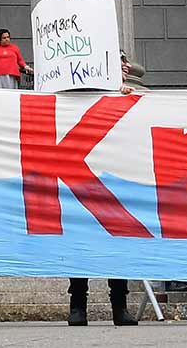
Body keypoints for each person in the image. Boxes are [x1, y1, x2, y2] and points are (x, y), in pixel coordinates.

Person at [66, 44, 139, 326]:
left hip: (117, 182)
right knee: (79, 243)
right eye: (120, 62)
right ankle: (77, 305)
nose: (126, 67)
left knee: (118, 246)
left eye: (124, 62)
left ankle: (120, 305)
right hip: (81, 181)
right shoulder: (82, 96)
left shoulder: (133, 97)